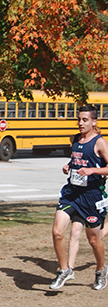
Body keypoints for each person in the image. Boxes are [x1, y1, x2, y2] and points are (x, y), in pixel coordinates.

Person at [50, 104, 108, 290]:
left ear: (94, 121)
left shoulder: (100, 142)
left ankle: (101, 270)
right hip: (71, 194)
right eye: (79, 119)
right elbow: (78, 158)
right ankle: (64, 270)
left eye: (85, 120)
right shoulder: (74, 139)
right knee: (57, 232)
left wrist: (92, 170)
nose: (80, 123)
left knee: (93, 240)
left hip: (92, 196)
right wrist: (69, 166)